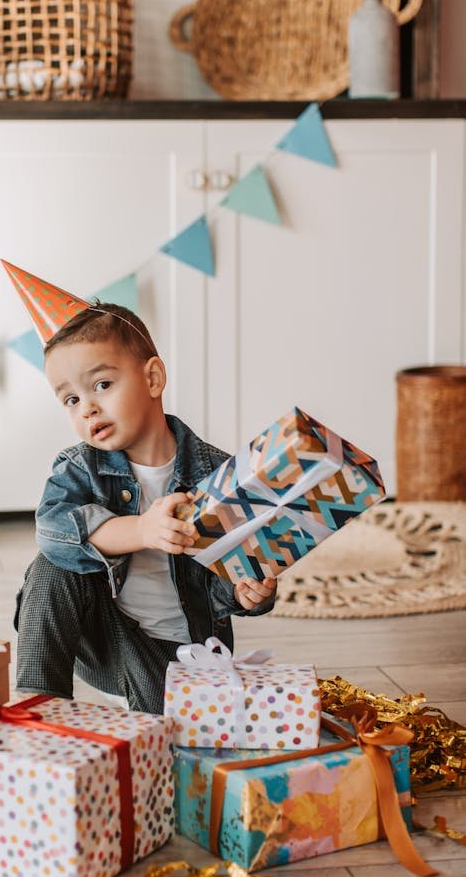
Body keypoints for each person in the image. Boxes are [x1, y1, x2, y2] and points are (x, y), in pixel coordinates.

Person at [14, 302, 276, 714]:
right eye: (70, 399)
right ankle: (37, 704)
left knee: (165, 743)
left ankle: (146, 713)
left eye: (101, 385)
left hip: (183, 655)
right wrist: (140, 531)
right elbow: (52, 530)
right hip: (107, 642)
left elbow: (224, 583)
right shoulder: (81, 468)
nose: (87, 408)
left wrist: (248, 592)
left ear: (152, 378)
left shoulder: (218, 475)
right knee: (51, 566)